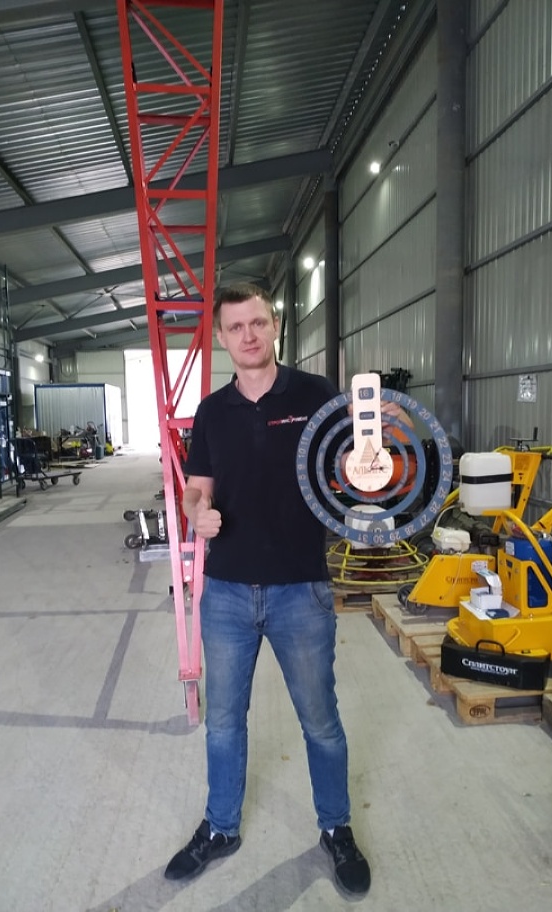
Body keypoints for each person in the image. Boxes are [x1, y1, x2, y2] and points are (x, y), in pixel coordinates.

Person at [165, 281, 380, 899]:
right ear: (222, 338)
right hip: (227, 593)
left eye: (257, 322)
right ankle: (221, 826)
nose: (249, 335)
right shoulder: (212, 411)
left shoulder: (316, 394)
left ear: (276, 323)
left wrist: (374, 459)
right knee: (223, 722)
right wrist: (196, 512)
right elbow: (195, 488)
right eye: (236, 327)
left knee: (320, 721)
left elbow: (357, 467)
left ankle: (335, 828)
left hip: (300, 590)